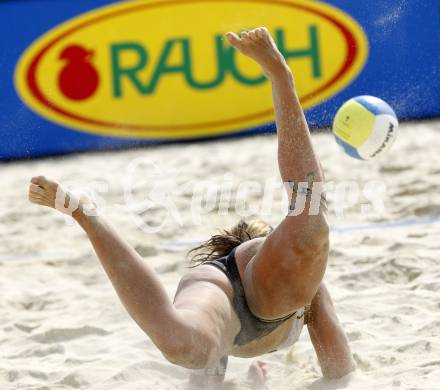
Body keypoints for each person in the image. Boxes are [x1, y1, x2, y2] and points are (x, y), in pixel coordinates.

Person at [28, 28, 355, 388]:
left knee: (183, 346)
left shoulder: (263, 308)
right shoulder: (297, 285)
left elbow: (334, 371)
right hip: (233, 285)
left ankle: (88, 215)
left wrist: (253, 383)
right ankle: (281, 76)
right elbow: (341, 374)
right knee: (309, 221)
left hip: (223, 293)